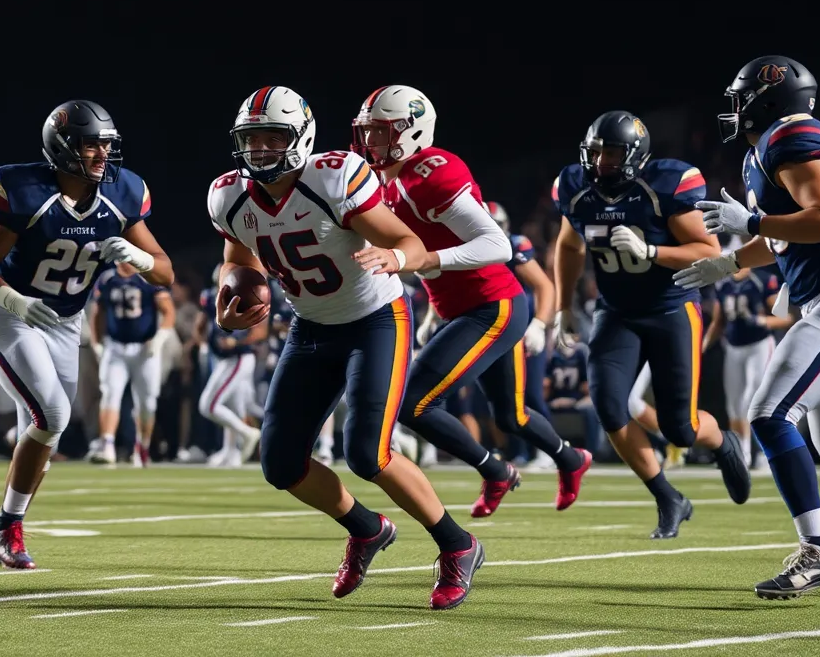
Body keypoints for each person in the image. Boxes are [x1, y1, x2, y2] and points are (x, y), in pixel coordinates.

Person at [208, 85, 482, 611]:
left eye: (273, 137)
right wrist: (232, 290)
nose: (260, 149)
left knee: (366, 452)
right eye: (252, 138)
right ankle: (366, 528)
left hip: (375, 320)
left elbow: (411, 242)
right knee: (280, 464)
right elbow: (237, 257)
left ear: (301, 137)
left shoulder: (332, 178)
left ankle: (458, 544)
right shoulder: (228, 195)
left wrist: (394, 260)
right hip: (310, 326)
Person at [675, 56, 820, 598]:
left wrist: (752, 221)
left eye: (742, 97)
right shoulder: (768, 148)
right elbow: (785, 237)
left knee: (769, 414)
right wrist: (732, 259)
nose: (736, 108)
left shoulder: (789, 139)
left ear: (768, 98)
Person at [351, 85, 589, 520]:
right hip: (460, 308)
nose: (370, 143)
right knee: (512, 415)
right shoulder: (386, 182)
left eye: (381, 132)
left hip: (493, 304)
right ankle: (572, 460)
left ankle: (495, 471)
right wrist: (430, 308)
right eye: (366, 132)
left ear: (413, 130)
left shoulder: (431, 171)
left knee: (415, 403)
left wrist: (426, 261)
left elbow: (496, 245)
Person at [0, 100, 173, 569]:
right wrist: (15, 301)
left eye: (106, 144)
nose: (102, 154)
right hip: (7, 313)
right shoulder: (25, 189)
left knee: (44, 432)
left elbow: (165, 273)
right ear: (62, 147)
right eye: (91, 144)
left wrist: (137, 260)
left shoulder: (122, 193)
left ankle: (4, 529)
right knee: (52, 413)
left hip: (64, 321)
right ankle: (8, 529)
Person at [553, 110, 751, 540]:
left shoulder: (664, 185)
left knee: (681, 428)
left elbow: (708, 250)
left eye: (612, 152)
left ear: (635, 155)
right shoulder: (574, 188)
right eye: (597, 152)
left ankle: (722, 442)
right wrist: (564, 305)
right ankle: (666, 495)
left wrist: (650, 251)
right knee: (609, 406)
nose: (602, 161)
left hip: (670, 307)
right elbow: (569, 245)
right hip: (616, 311)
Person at [702, 253, 794, 467]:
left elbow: (786, 319)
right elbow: (718, 322)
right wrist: (702, 348)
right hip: (733, 348)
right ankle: (741, 454)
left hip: (759, 346)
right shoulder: (723, 285)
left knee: (750, 401)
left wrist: (761, 320)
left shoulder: (761, 280)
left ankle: (760, 453)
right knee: (734, 405)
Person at [486, 201, 560, 468]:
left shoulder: (515, 245)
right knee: (501, 398)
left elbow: (544, 286)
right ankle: (517, 451)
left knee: (531, 394)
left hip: (523, 329)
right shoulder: (467, 247)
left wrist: (540, 324)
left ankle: (549, 451)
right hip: (494, 329)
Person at [88, 261, 176, 466]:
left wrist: (159, 338)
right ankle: (107, 446)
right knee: (110, 395)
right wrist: (96, 343)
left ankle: (142, 446)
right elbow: (97, 313)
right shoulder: (107, 278)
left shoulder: (148, 277)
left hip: (144, 349)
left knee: (146, 403)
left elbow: (168, 311)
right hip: (115, 346)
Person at [195, 265, 265, 467]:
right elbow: (200, 325)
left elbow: (260, 331)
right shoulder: (209, 296)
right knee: (233, 406)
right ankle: (230, 452)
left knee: (208, 405)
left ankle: (248, 433)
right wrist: (204, 344)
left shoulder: (247, 295)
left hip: (239, 357)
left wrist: (237, 342)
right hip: (223, 358)